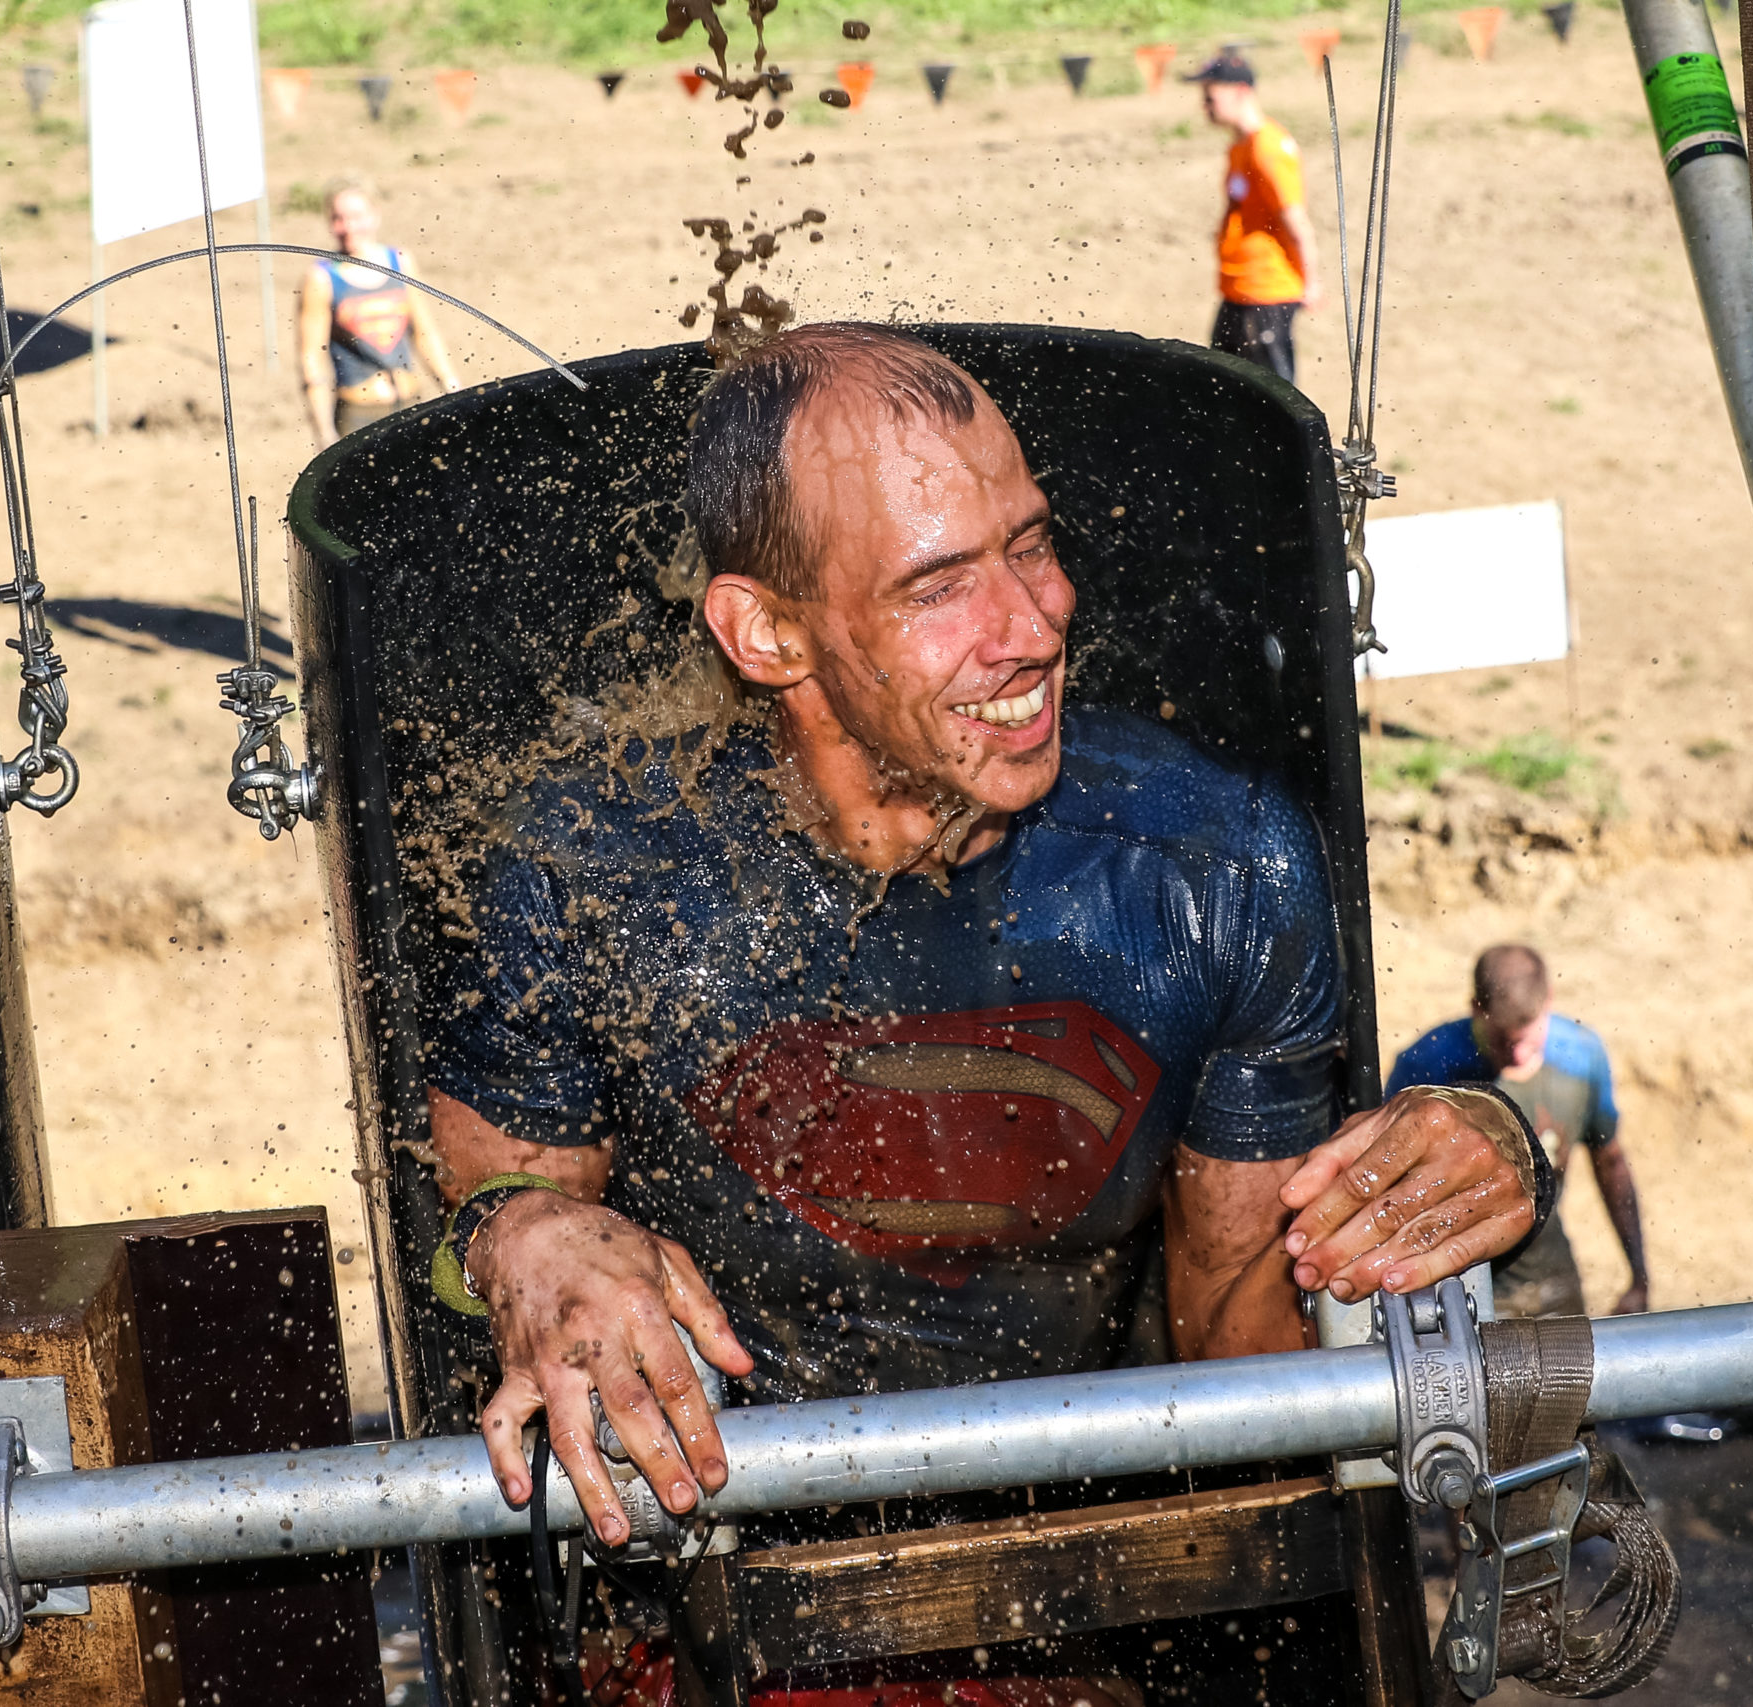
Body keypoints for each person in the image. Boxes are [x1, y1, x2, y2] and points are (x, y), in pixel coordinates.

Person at [413, 322, 1554, 1616]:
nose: (1036, 621)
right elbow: (476, 1233)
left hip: (1097, 1592)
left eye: (1032, 544)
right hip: (707, 1605)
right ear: (767, 633)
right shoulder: (588, 866)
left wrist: (1482, 1140)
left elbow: (1250, 1360)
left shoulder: (1217, 864)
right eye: (940, 583)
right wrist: (523, 1232)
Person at [1387, 944, 1649, 1320]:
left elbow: (1610, 1163)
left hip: (1552, 1282)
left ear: (1549, 1001)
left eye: (1528, 1039)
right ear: (1476, 1008)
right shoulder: (1427, 1067)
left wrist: (1639, 1278)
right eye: (1503, 1041)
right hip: (1457, 1292)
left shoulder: (1581, 1059)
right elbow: (1391, 1189)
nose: (1517, 1056)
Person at [1186, 49, 1318, 386]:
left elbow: (1296, 219)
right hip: (1239, 289)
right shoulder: (1241, 145)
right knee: (1222, 390)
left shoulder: (1268, 149)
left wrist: (1312, 282)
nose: (1205, 106)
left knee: (1272, 399)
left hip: (1266, 292)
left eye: (1210, 96)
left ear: (1241, 92)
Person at [298, 179, 460, 444]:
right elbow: (311, 358)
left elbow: (424, 333)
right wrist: (324, 431)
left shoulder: (400, 262)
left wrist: (452, 390)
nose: (348, 227)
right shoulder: (321, 278)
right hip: (358, 415)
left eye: (356, 217)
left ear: (375, 215)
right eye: (338, 218)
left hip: (410, 405)